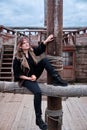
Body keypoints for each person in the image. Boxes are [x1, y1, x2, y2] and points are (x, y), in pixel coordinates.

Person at [13, 34, 68, 130]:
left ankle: (57, 79)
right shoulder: (17, 58)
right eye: (24, 43)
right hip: (25, 79)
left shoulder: (31, 52)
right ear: (20, 46)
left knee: (44, 60)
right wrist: (29, 78)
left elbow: (40, 49)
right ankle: (38, 119)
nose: (26, 44)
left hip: (33, 75)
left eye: (27, 42)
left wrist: (46, 40)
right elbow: (17, 74)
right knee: (38, 92)